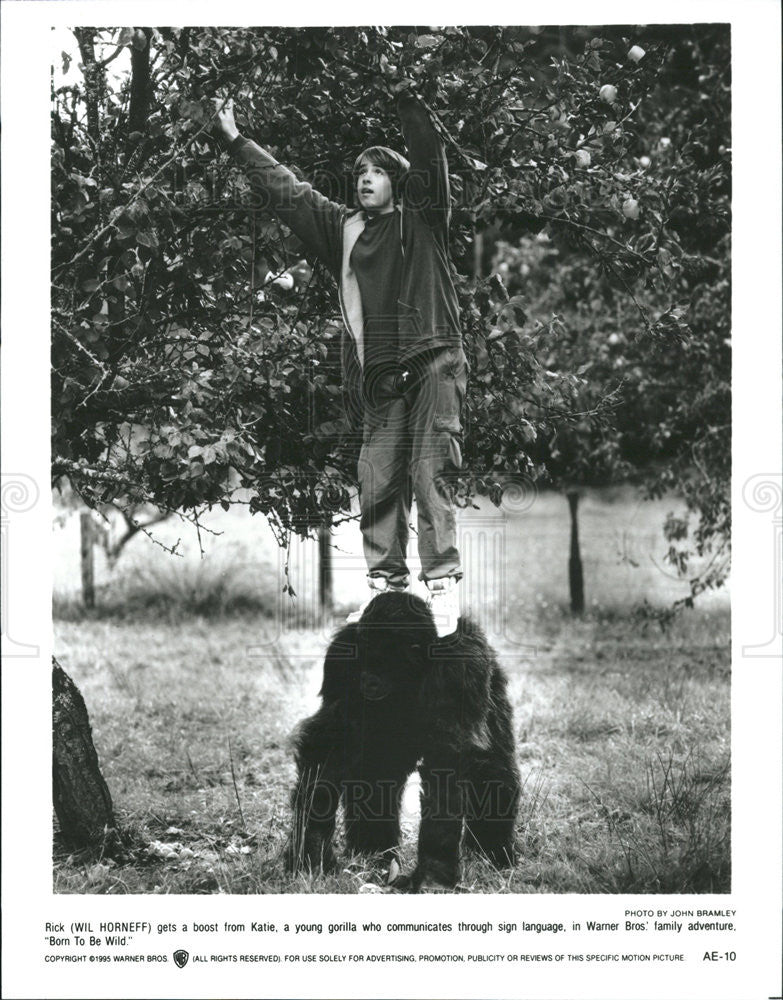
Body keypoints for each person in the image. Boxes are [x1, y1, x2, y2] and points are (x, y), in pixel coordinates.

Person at [212, 85, 467, 636]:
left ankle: (442, 589)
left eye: (375, 171)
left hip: (435, 357)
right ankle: (386, 589)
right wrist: (236, 142)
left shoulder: (424, 218)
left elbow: (431, 158)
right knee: (374, 476)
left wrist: (407, 99)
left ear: (397, 181)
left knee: (430, 469)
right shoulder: (344, 229)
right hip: (381, 376)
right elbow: (290, 192)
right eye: (358, 172)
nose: (363, 178)